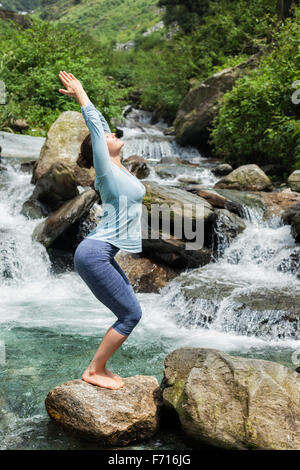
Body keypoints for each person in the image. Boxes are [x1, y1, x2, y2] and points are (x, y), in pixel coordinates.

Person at [58, 71, 146, 390]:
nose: (111, 134)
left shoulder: (121, 169)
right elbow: (97, 125)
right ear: (98, 150)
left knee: (131, 311)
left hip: (101, 254)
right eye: (105, 136)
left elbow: (104, 126)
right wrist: (81, 93)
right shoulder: (106, 173)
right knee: (131, 315)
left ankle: (100, 368)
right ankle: (94, 370)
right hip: (94, 254)